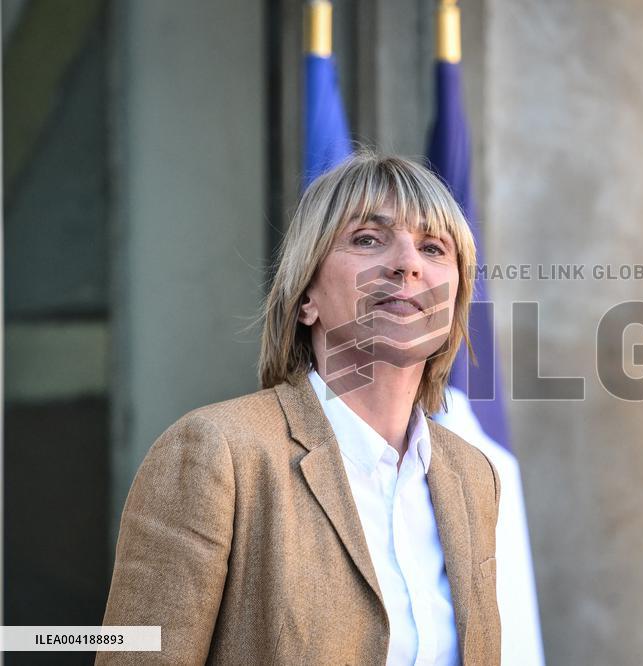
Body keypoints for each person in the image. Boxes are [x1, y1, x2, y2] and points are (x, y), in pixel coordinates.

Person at [98, 152, 501, 665]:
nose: (408, 263)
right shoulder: (216, 452)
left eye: (433, 247)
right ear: (306, 295)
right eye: (367, 239)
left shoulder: (473, 476)